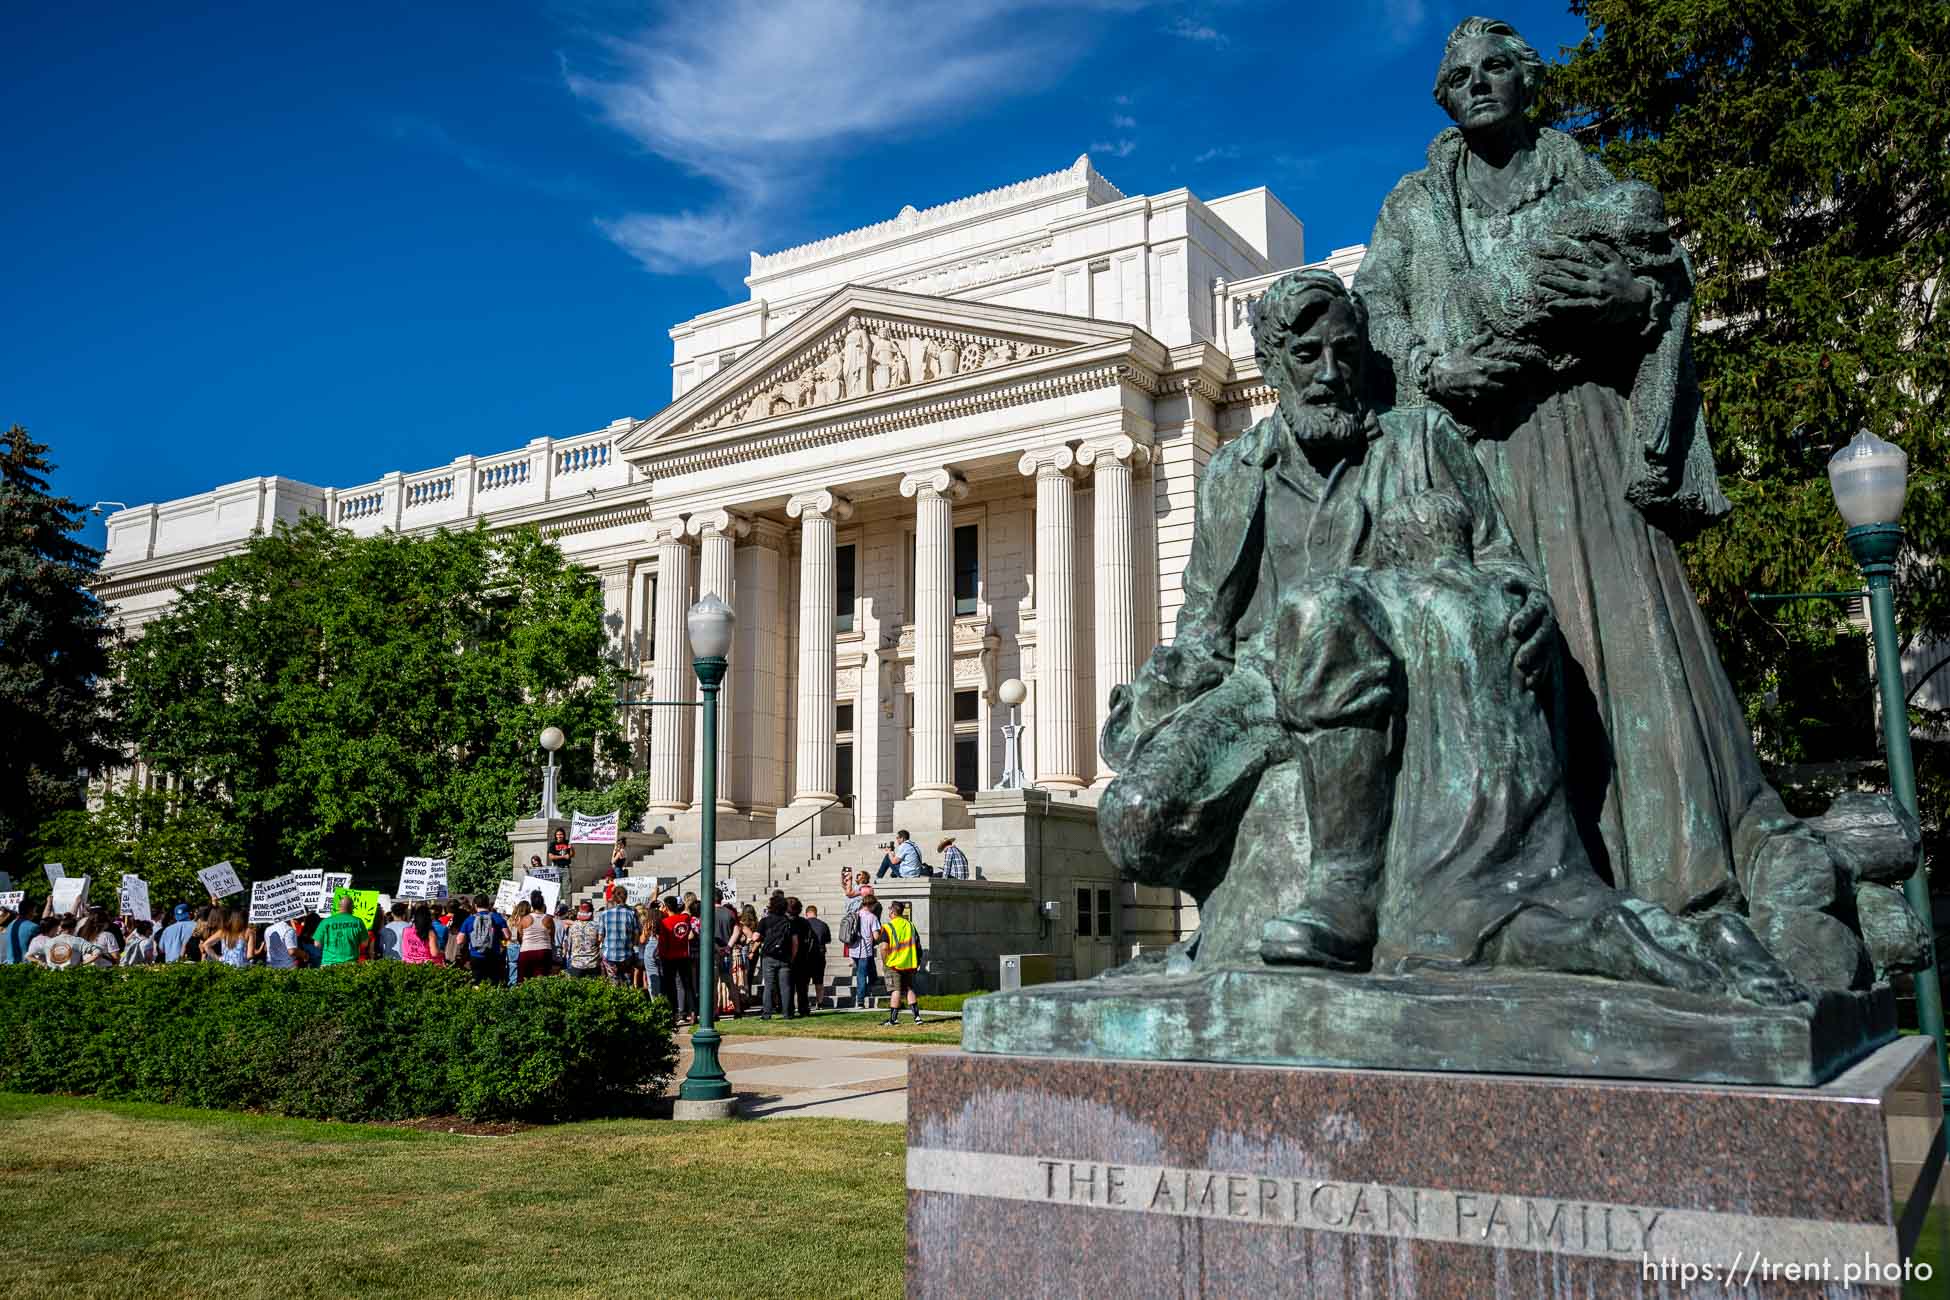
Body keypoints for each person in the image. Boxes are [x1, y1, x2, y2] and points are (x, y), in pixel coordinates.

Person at [1353, 16, 1870, 988]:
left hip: (1578, 438)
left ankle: (1678, 888)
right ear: (1442, 97)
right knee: (1498, 673)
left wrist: (1630, 303)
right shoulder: (1414, 204)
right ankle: (1518, 890)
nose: (1477, 84)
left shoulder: (1582, 179)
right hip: (1472, 461)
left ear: (1524, 77)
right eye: (1457, 75)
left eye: (1494, 67)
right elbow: (1378, 305)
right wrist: (1431, 363)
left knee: (1626, 652)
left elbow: (1656, 288)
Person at [878, 900, 922, 1026]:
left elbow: (884, 947)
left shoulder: (888, 927)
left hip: (894, 963)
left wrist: (886, 961)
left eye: (889, 910)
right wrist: (917, 961)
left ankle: (893, 1019)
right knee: (909, 988)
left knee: (895, 990)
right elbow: (918, 945)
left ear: (892, 911)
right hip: (909, 963)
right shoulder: (910, 925)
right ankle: (917, 1017)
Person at [755, 892, 798, 1019]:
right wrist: (792, 956)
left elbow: (755, 937)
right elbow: (795, 942)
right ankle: (787, 1013)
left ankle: (767, 1013)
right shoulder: (789, 922)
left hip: (769, 956)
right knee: (785, 987)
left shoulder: (765, 921)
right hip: (785, 957)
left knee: (769, 986)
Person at [656, 896, 696, 1024]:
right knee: (687, 985)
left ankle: (673, 1013)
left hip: (670, 957)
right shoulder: (685, 919)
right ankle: (693, 1012)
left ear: (666, 907)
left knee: (670, 986)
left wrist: (661, 955)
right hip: (684, 955)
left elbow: (663, 943)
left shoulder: (665, 923)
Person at [459, 894, 509, 984]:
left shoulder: (470, 919)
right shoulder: (497, 918)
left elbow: (460, 940)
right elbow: (507, 936)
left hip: (476, 956)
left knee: (476, 983)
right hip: (493, 955)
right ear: (488, 904)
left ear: (475, 905)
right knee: (494, 983)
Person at [792, 898, 826, 1017]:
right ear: (816, 913)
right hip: (819, 956)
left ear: (806, 913)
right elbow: (827, 939)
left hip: (805, 957)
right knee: (819, 982)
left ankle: (802, 1002)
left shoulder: (802, 923)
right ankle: (820, 1002)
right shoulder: (823, 924)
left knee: (803, 983)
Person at [313, 895, 367, 968]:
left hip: (328, 964)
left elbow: (317, 944)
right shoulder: (358, 922)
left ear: (338, 907)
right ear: (352, 907)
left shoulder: (325, 922)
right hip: (350, 965)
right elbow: (364, 944)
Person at [847, 899, 882, 1011]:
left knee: (861, 971)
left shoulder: (855, 914)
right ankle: (860, 1000)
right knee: (861, 974)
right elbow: (876, 936)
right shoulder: (872, 917)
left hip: (854, 948)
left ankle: (872, 980)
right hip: (865, 949)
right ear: (872, 905)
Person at [596, 894, 638, 985]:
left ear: (614, 900)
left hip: (610, 954)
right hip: (627, 954)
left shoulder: (604, 914)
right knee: (627, 981)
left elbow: (600, 937)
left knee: (613, 982)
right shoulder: (631, 913)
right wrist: (631, 945)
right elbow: (636, 935)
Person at [513, 897, 556, 982]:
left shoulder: (524, 919)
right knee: (542, 981)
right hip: (544, 951)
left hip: (526, 951)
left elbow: (519, 937)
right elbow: (552, 937)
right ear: (543, 905)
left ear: (532, 906)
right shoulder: (549, 919)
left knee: (523, 981)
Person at [564, 901, 603, 978]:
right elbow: (600, 942)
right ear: (591, 913)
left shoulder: (573, 926)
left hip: (576, 964)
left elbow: (569, 944)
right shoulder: (597, 926)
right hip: (593, 964)